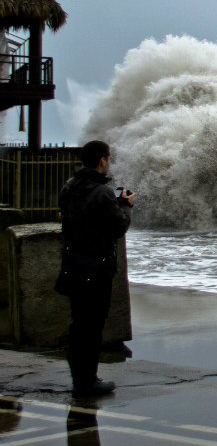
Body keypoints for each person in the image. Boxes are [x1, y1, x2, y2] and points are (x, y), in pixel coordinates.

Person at [57, 140, 134, 397]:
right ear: (102, 160)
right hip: (95, 267)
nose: (109, 162)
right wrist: (125, 204)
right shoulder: (101, 193)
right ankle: (88, 382)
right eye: (109, 158)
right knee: (92, 326)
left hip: (72, 263)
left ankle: (80, 378)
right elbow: (119, 226)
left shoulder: (69, 187)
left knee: (79, 324)